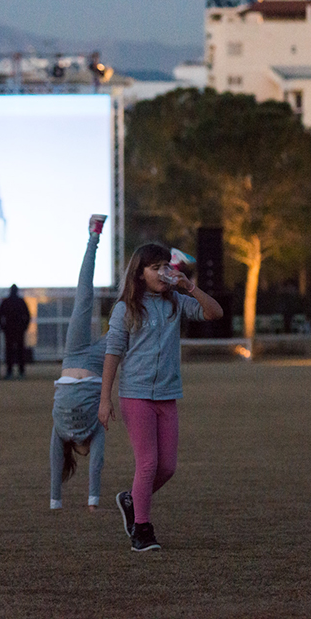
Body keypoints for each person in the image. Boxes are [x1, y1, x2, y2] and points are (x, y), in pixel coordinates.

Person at [99, 242, 224, 552]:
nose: (162, 272)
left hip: (167, 395)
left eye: (166, 266)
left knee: (167, 467)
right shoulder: (125, 308)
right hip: (136, 395)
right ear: (139, 274)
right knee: (148, 463)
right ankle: (142, 530)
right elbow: (113, 353)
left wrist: (190, 287)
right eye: (155, 268)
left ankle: (131, 500)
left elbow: (215, 312)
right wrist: (105, 398)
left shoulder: (176, 302)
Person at [50, 214, 109, 513]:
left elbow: (56, 463)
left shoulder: (62, 432)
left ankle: (94, 235)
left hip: (73, 356)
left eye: (81, 454)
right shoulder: (93, 429)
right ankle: (170, 270)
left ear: (75, 450)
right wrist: (91, 501)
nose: (87, 454)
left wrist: (56, 501)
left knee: (83, 297)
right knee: (128, 320)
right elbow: (97, 461)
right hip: (95, 366)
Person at [0, 284, 31, 379]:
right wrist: (24, 327)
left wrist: (3, 327)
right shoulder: (20, 301)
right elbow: (27, 315)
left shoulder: (6, 301)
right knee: (19, 351)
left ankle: (11, 372)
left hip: (10, 330)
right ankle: (20, 372)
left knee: (10, 351)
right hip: (17, 330)